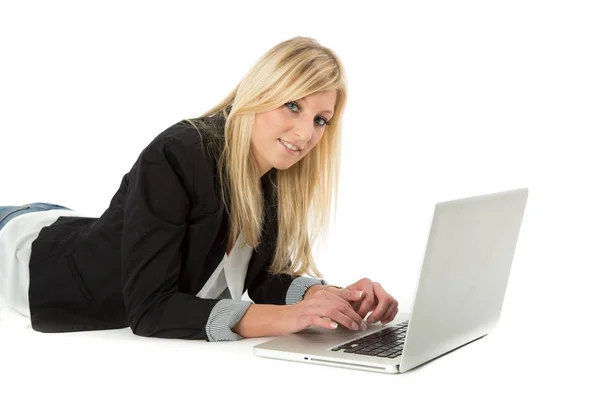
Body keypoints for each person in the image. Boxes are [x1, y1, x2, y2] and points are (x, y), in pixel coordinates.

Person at [0, 36, 399, 342]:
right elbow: (150, 310)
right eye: (293, 106)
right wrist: (283, 320)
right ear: (263, 92)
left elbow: (259, 278)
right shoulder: (178, 153)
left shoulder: (273, 167)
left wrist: (330, 298)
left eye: (320, 120)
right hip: (21, 254)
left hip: (77, 227)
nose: (305, 133)